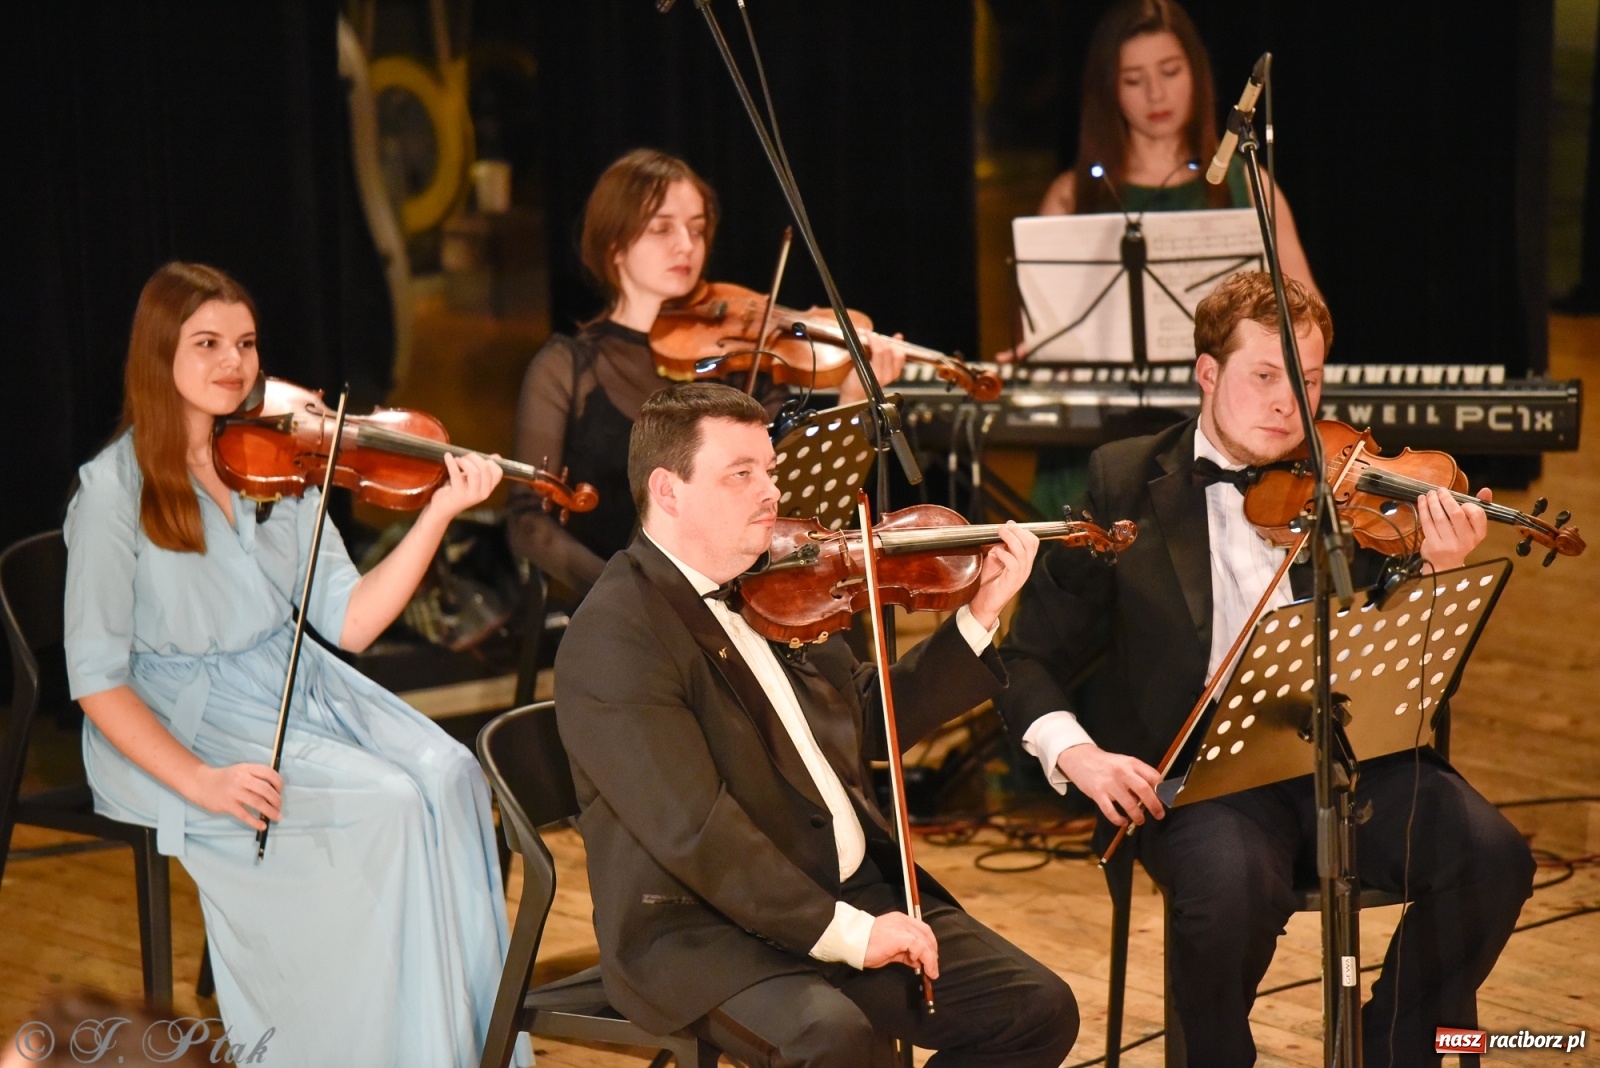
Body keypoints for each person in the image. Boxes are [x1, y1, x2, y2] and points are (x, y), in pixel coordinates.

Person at [997, 271, 1535, 1067]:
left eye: (1309, 379)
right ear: (1208, 375)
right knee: (1225, 897)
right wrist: (1078, 753)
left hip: (1346, 762)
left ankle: (1392, 1048)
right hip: (1201, 783)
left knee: (1494, 857)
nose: (1291, 402)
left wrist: (1430, 575)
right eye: (1266, 376)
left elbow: (1406, 674)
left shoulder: (1349, 485)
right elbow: (1027, 656)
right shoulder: (1122, 482)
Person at [63, 262, 526, 1067]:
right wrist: (203, 781)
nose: (232, 363)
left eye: (244, 342)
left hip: (289, 684)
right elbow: (97, 680)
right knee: (382, 806)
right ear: (157, 354)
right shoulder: (112, 492)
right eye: (205, 343)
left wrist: (439, 511)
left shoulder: (274, 464)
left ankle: (461, 1049)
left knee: (450, 776)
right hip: (178, 725)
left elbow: (349, 621)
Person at [554, 381, 1079, 1067]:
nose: (770, 493)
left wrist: (978, 616)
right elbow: (698, 833)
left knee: (1037, 1011)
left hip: (846, 890)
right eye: (741, 475)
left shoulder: (777, 584)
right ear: (669, 490)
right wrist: (851, 935)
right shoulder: (616, 636)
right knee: (832, 1039)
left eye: (768, 471)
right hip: (706, 930)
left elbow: (866, 719)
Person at [508, 148, 904, 599]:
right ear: (614, 243)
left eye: (696, 229)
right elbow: (527, 522)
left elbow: (789, 498)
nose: (686, 245)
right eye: (662, 228)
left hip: (740, 595)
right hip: (625, 605)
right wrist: (624, 594)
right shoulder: (565, 368)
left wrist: (851, 398)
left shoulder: (739, 361)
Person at [1037, 0, 1316, 292]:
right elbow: (1037, 319)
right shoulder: (1070, 197)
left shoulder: (1246, 183)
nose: (1155, 94)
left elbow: (1310, 316)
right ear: (1109, 89)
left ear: (1196, 72)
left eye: (1170, 72)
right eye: (1133, 80)